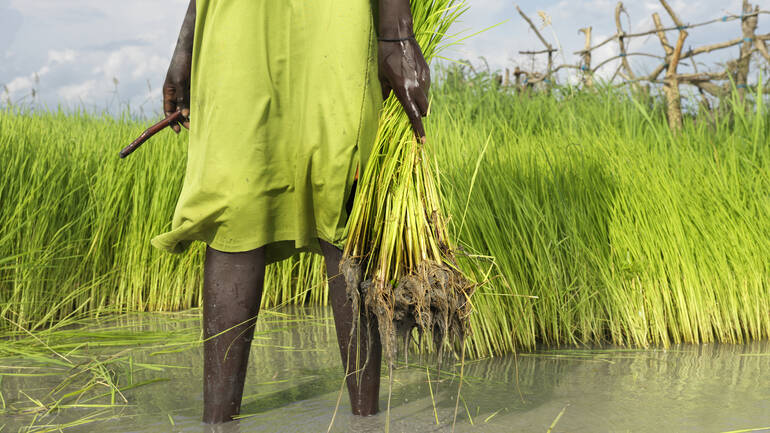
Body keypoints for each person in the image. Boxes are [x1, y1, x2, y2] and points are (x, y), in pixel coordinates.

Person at [152, 0, 430, 424]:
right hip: (235, 17)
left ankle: (366, 420)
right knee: (233, 199)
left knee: (340, 186)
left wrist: (397, 33)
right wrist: (186, 43)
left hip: (338, 16)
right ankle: (216, 422)